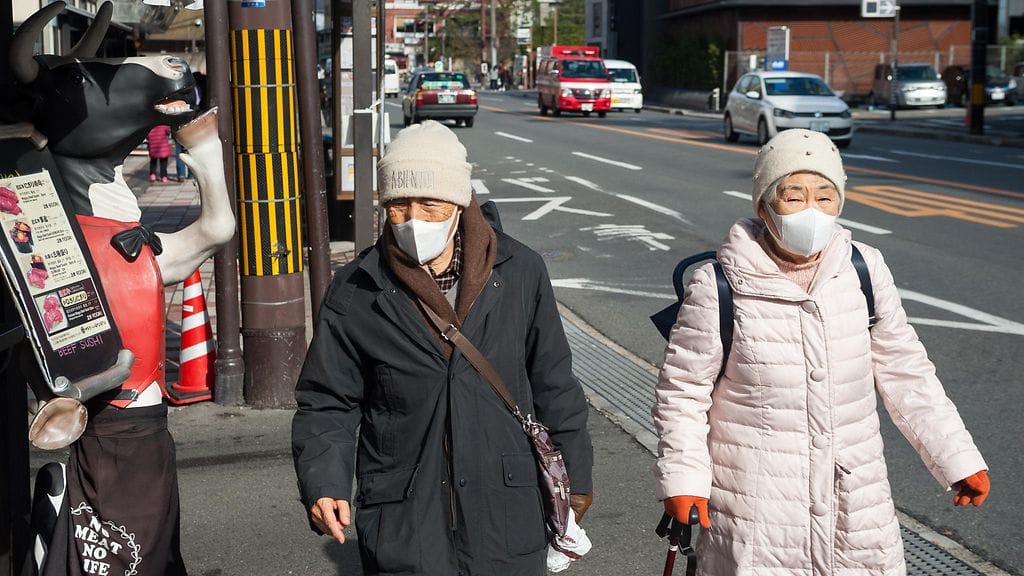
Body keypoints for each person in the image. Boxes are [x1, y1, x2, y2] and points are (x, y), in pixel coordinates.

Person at [652, 129, 989, 574]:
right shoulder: (718, 286)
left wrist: (957, 458)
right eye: (794, 197)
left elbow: (907, 372)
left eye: (825, 197)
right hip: (758, 510)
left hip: (856, 507)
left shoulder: (864, 270)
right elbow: (682, 392)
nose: (812, 210)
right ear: (764, 206)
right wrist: (683, 478)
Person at [292, 120, 594, 576]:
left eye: (429, 204)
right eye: (398, 205)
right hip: (405, 518)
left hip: (508, 510)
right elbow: (327, 400)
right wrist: (323, 481)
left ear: (458, 202)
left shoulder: (519, 271)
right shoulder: (356, 289)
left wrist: (577, 473)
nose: (412, 219)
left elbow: (552, 381)